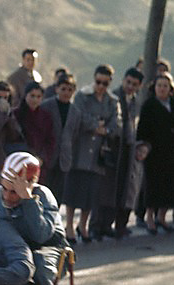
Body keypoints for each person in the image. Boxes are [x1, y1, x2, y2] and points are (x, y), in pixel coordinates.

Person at [60, 64, 120, 242]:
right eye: (98, 82)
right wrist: (95, 125)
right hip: (80, 149)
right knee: (74, 190)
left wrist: (106, 130)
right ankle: (69, 225)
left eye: (105, 83)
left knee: (91, 192)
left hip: (98, 153)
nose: (101, 86)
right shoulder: (83, 96)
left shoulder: (112, 101)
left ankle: (83, 225)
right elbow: (78, 116)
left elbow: (116, 123)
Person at [0, 151, 67, 285]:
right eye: (4, 189)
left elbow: (40, 235)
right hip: (19, 248)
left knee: (39, 262)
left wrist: (28, 199)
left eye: (13, 192)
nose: (6, 197)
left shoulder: (44, 196)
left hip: (49, 248)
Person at [94, 67, 145, 239]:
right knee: (105, 190)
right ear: (123, 80)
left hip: (128, 149)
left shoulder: (136, 101)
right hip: (111, 146)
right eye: (128, 82)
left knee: (122, 189)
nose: (130, 86)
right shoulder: (113, 97)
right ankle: (96, 226)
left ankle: (111, 225)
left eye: (134, 84)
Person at [136, 72, 174, 233]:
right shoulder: (149, 105)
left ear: (170, 88)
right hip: (155, 151)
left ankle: (162, 217)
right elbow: (143, 129)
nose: (162, 88)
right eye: (159, 85)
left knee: (170, 186)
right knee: (153, 186)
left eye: (165, 86)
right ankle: (150, 218)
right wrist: (144, 145)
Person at [41, 73, 77, 208]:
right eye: (63, 89)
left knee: (58, 195)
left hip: (64, 159)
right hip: (48, 156)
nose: (66, 93)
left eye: (70, 89)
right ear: (56, 89)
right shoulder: (46, 106)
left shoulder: (75, 112)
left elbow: (74, 135)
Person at [14, 81, 58, 189]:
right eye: (32, 96)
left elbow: (50, 140)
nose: (35, 100)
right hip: (19, 161)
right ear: (25, 95)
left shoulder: (45, 117)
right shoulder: (16, 114)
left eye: (38, 97)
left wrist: (42, 157)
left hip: (39, 162)